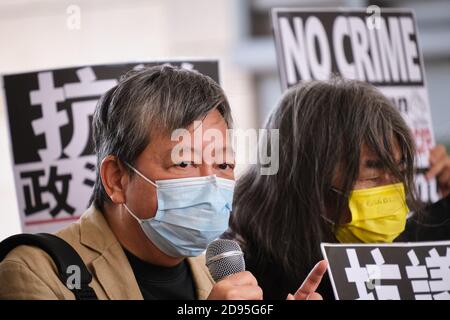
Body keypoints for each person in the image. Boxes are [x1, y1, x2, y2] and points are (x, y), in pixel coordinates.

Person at [0, 65, 325, 300]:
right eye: (184, 162)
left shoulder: (217, 266)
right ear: (116, 179)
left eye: (224, 164)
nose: (212, 183)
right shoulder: (36, 271)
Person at [225, 77, 450, 300]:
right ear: (308, 178)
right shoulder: (236, 277)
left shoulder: (408, 252)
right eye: (373, 173)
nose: (393, 190)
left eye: (399, 170)